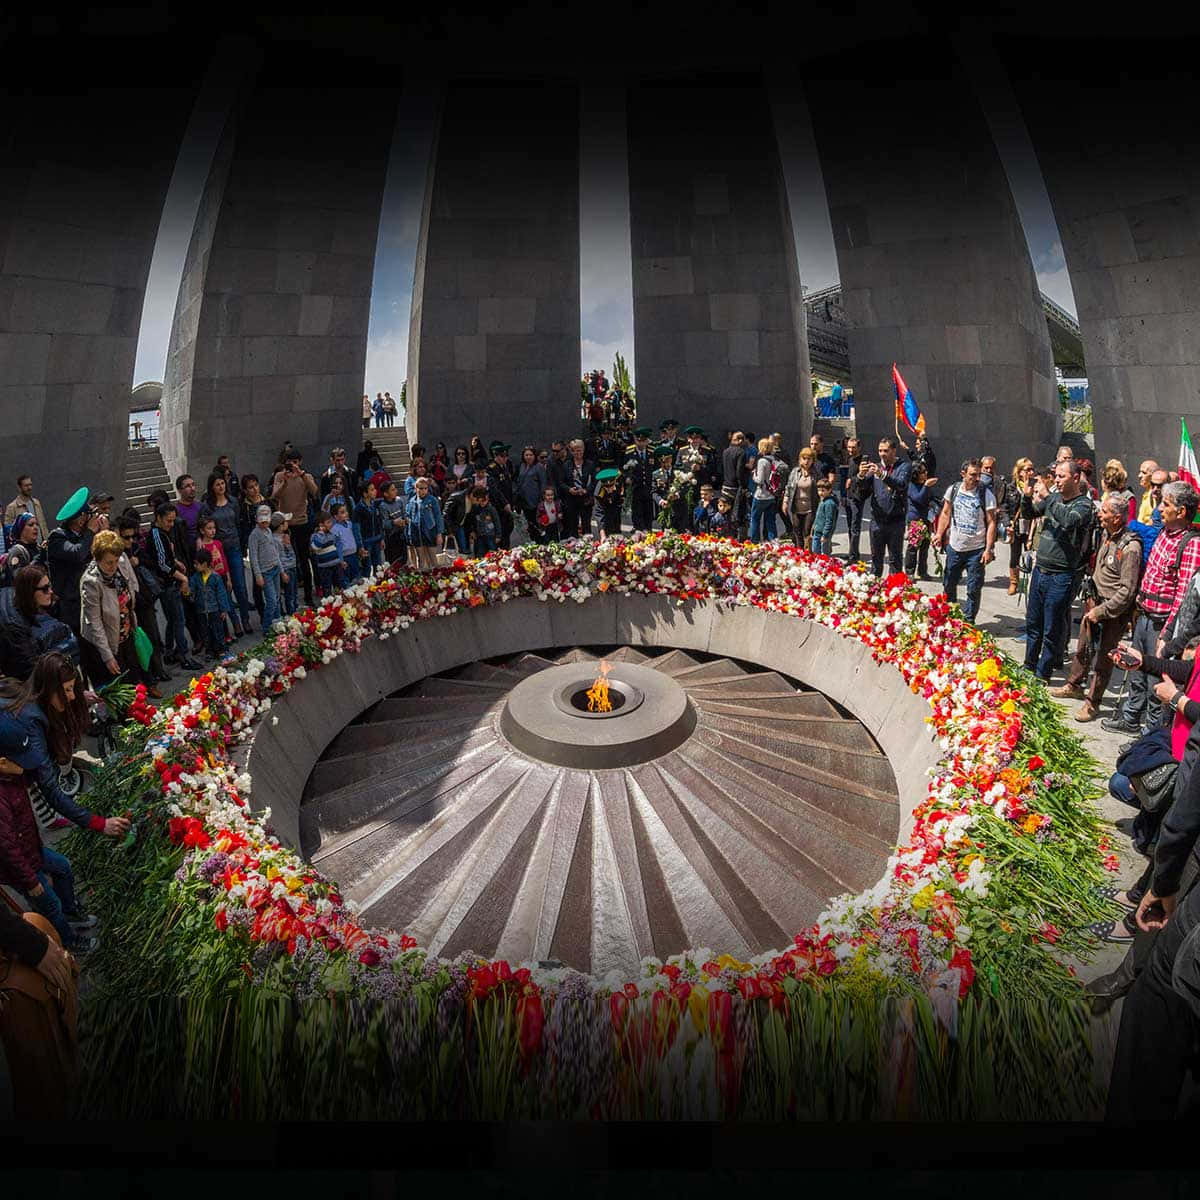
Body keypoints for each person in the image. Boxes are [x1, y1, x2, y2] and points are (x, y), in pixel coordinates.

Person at [0, 655, 130, 946]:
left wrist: (81, 697)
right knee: (48, 905)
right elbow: (51, 796)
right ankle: (69, 944)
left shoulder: (14, 776)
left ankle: (72, 915)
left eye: (73, 689)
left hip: (28, 844)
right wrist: (98, 823)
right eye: (67, 690)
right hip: (19, 858)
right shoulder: (28, 733)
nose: (70, 698)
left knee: (62, 867)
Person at [1103, 481, 1200, 735]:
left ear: (1181, 512)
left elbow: (1183, 596)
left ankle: (1149, 734)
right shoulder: (1163, 534)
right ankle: (1130, 718)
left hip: (1162, 623)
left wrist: (1168, 636)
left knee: (1156, 681)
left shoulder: (1190, 544)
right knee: (1136, 668)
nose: (1159, 510)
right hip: (1144, 615)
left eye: (1166, 505)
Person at [1051, 490, 1142, 721]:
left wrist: (1101, 612)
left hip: (1113, 612)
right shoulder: (1105, 534)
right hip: (1093, 603)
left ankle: (1093, 703)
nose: (1099, 515)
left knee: (1104, 658)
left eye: (1104, 511)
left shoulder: (1130, 548)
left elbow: (1127, 591)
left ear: (1118, 517)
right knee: (1082, 649)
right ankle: (1074, 684)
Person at [1023, 459, 1095, 681]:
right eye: (1056, 476)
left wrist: (1048, 496)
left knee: (1051, 626)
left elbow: (1068, 520)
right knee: (1034, 622)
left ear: (1075, 478)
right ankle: (1029, 665)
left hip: (1062, 575)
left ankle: (1043, 673)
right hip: (1040, 570)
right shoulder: (1054, 499)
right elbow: (1030, 514)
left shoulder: (1083, 505)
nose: (1056, 480)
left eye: (1061, 476)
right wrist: (1026, 497)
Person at [78, 528, 148, 689]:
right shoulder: (91, 582)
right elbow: (95, 622)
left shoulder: (121, 561)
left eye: (116, 561)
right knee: (119, 686)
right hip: (105, 641)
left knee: (134, 679)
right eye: (109, 562)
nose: (114, 566)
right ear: (97, 558)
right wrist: (107, 656)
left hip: (126, 632)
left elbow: (132, 584)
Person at [934, 459, 996, 622]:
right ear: (963, 474)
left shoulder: (986, 494)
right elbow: (946, 513)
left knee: (973, 589)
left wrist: (988, 549)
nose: (977, 479)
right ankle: (951, 616)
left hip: (976, 551)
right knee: (948, 584)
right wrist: (939, 534)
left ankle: (969, 621)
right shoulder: (953, 490)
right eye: (973, 475)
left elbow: (991, 522)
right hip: (954, 548)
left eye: (978, 475)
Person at [143, 502, 200, 670]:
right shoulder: (156, 534)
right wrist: (183, 578)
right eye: (168, 521)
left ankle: (169, 652)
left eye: (173, 520)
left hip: (169, 582)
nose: (171, 524)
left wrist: (176, 562)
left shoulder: (162, 533)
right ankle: (184, 656)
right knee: (178, 620)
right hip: (168, 584)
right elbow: (162, 564)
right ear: (158, 518)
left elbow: (166, 556)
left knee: (172, 620)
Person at [46, 488, 102, 655]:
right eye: (88, 515)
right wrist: (91, 532)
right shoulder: (58, 538)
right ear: (80, 519)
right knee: (83, 652)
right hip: (71, 607)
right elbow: (77, 554)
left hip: (89, 599)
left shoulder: (84, 536)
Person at [0, 566, 78, 682]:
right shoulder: (16, 627)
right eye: (45, 589)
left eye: (49, 586)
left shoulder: (14, 596)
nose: (50, 592)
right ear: (29, 592)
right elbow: (29, 671)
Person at [198, 473, 250, 636]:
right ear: (212, 487)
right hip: (217, 550)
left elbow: (238, 523)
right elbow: (204, 526)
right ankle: (235, 623)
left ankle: (245, 619)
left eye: (222, 483)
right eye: (217, 484)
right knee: (225, 588)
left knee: (240, 586)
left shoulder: (233, 502)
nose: (221, 486)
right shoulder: (207, 506)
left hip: (234, 547)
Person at [269, 452, 318, 608]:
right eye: (290, 463)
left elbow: (315, 491)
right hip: (285, 525)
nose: (293, 465)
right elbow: (274, 496)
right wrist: (285, 481)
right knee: (287, 562)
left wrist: (301, 474)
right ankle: (289, 598)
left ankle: (309, 596)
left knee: (304, 561)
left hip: (302, 523)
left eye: (295, 462)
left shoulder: (306, 476)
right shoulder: (279, 476)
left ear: (300, 462)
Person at [866, 438, 911, 577]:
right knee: (876, 560)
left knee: (895, 560)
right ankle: (874, 591)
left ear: (894, 450)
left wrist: (882, 475)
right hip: (877, 521)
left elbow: (901, 485)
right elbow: (861, 492)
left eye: (886, 450)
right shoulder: (875, 468)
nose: (882, 454)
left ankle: (895, 592)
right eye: (880, 450)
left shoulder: (904, 466)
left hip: (895, 521)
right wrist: (861, 476)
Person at [187, 546, 234, 659]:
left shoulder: (215, 577)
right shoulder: (195, 578)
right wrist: (187, 593)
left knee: (218, 630)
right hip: (202, 610)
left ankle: (221, 649)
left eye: (197, 564)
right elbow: (191, 591)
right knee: (205, 632)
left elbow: (221, 594)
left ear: (205, 564)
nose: (195, 566)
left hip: (214, 610)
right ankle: (209, 650)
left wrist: (224, 609)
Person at [248, 504, 284, 630]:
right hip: (265, 572)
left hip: (275, 568)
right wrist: (258, 575)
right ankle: (267, 627)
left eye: (267, 521)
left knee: (277, 598)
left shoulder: (269, 531)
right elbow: (253, 557)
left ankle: (278, 623)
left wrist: (282, 570)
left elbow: (275, 552)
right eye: (262, 521)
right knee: (272, 601)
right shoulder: (254, 535)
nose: (265, 523)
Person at [1005, 458, 1035, 595]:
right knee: (1015, 554)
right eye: (1027, 469)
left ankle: (1030, 583)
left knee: (1031, 555)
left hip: (1032, 526)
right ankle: (1014, 582)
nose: (1031, 472)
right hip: (1016, 526)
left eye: (1032, 469)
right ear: (1019, 471)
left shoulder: (1037, 487)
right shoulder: (1011, 488)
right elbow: (1005, 507)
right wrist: (1007, 522)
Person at [904, 463, 938, 579]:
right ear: (916, 474)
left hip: (926, 519)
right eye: (923, 472)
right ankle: (909, 572)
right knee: (913, 547)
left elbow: (931, 497)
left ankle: (922, 571)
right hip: (916, 520)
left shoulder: (924, 485)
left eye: (925, 471)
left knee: (925, 547)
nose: (925, 474)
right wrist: (926, 486)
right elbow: (919, 499)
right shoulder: (911, 486)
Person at [782, 448, 818, 549]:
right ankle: (799, 551)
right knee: (797, 530)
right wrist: (785, 502)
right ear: (800, 459)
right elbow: (788, 487)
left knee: (807, 531)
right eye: (804, 458)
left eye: (809, 459)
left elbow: (821, 488)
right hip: (796, 507)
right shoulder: (795, 472)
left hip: (810, 508)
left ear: (812, 460)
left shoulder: (816, 473)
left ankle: (808, 552)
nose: (806, 461)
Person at [405, 476, 443, 570]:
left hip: (429, 531)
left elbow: (438, 517)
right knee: (421, 560)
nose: (423, 491)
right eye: (421, 488)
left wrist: (439, 533)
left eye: (425, 488)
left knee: (433, 558)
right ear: (416, 488)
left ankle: (437, 577)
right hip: (416, 532)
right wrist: (409, 534)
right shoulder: (412, 501)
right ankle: (423, 580)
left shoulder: (432, 500)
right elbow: (409, 517)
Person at [560, 440, 596, 538]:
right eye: (575, 451)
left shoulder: (590, 464)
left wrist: (586, 490)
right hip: (571, 499)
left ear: (583, 450)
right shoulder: (566, 465)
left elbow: (594, 481)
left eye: (580, 450)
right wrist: (569, 489)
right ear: (571, 452)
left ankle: (588, 547)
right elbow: (561, 483)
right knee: (572, 525)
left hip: (585, 499)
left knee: (586, 525)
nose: (578, 453)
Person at [624, 428, 656, 534]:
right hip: (635, 487)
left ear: (647, 441)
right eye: (638, 440)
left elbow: (656, 468)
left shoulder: (652, 451)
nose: (641, 443)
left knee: (648, 510)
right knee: (637, 510)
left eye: (643, 440)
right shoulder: (629, 452)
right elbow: (623, 468)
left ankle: (648, 529)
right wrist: (627, 478)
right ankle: (638, 530)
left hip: (649, 486)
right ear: (635, 440)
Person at [842, 437, 868, 564]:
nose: (850, 450)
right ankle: (853, 552)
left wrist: (851, 480)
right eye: (849, 447)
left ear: (859, 447)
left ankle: (853, 557)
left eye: (853, 447)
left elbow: (864, 479)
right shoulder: (850, 459)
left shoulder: (863, 462)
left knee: (855, 527)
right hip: (849, 496)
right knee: (849, 526)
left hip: (858, 498)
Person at [351, 480, 385, 576]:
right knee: (367, 568)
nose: (375, 491)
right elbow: (356, 529)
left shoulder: (375, 505)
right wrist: (360, 546)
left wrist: (381, 538)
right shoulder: (358, 509)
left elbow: (379, 523)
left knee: (378, 567)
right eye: (372, 490)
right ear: (365, 494)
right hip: (366, 542)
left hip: (377, 540)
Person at [4, 476, 49, 546]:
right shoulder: (12, 507)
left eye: (30, 485)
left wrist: (47, 539)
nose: (29, 488)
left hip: (41, 545)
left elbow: (43, 524)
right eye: (26, 485)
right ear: (19, 488)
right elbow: (8, 531)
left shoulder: (36, 503)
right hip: (24, 547)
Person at [309, 510, 343, 597]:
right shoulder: (315, 536)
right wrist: (321, 533)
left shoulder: (332, 533)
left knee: (338, 586)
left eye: (331, 521)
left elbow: (337, 545)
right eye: (328, 522)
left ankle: (339, 601)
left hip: (336, 564)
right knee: (327, 587)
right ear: (321, 525)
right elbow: (316, 547)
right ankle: (328, 603)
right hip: (324, 567)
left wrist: (341, 560)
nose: (331, 524)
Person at [3, 513, 43, 583]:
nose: (35, 527)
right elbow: (20, 577)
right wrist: (40, 557)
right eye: (31, 525)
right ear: (21, 529)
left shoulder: (39, 548)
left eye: (37, 524)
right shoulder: (17, 550)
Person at [375, 480, 408, 564]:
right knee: (394, 562)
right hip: (391, 538)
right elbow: (384, 524)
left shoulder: (399, 501)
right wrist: (393, 522)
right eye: (392, 490)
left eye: (395, 489)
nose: (396, 491)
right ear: (386, 494)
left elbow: (404, 514)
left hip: (401, 535)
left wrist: (406, 520)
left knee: (404, 560)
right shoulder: (383, 506)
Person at [328, 502, 359, 586]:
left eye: (346, 511)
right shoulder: (334, 529)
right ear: (336, 517)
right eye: (342, 512)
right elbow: (337, 546)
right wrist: (341, 560)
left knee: (356, 577)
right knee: (346, 580)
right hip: (345, 558)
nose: (346, 513)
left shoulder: (349, 524)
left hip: (354, 555)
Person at [272, 516, 298, 615]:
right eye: (285, 522)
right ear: (280, 526)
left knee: (294, 592)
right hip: (286, 568)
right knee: (289, 594)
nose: (288, 524)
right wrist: (282, 572)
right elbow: (277, 557)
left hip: (292, 566)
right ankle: (291, 614)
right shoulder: (275, 540)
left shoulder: (286, 535)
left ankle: (296, 611)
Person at [594, 469, 624, 538]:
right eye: (606, 487)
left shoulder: (619, 481)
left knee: (616, 520)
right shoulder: (598, 493)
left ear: (615, 482)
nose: (609, 489)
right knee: (607, 524)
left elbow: (622, 491)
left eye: (611, 486)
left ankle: (617, 532)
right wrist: (602, 534)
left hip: (616, 502)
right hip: (605, 506)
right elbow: (599, 513)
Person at [172, 475, 202, 544]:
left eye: (193, 485)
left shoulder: (200, 506)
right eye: (188, 486)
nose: (192, 488)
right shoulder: (176, 511)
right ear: (180, 490)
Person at [810, 479, 837, 556]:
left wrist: (825, 535)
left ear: (829, 490)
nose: (820, 493)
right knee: (815, 549)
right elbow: (818, 516)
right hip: (817, 530)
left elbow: (829, 520)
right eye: (819, 490)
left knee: (824, 552)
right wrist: (813, 527)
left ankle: (825, 564)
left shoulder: (829, 503)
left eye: (823, 490)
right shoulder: (822, 501)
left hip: (824, 533)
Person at [1135, 459, 1160, 524]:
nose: (1139, 476)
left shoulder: (1155, 496)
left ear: (1153, 476)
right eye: (1140, 472)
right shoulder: (1147, 493)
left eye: (1144, 473)